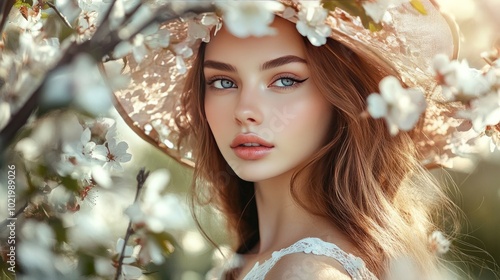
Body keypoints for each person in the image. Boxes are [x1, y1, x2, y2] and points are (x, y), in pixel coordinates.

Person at [112, 1, 464, 279]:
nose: (245, 111)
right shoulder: (256, 258)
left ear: (341, 97)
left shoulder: (308, 272)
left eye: (285, 80)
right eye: (222, 82)